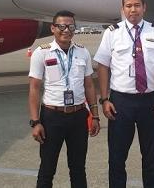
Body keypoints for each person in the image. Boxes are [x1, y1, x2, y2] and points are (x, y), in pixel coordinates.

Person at [94, 0, 154, 188]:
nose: (133, 9)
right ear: (122, 9)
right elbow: (103, 66)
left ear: (144, 7)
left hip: (151, 101)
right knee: (117, 156)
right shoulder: (112, 33)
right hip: (121, 102)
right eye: (128, 6)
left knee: (151, 156)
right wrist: (104, 99)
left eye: (137, 5)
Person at [28, 10, 100, 188]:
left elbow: (89, 85)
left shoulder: (82, 52)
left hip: (78, 116)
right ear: (53, 28)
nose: (66, 30)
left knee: (78, 168)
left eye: (70, 26)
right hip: (52, 117)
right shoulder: (42, 53)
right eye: (61, 26)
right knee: (47, 168)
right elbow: (34, 88)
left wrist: (95, 116)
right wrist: (35, 122)